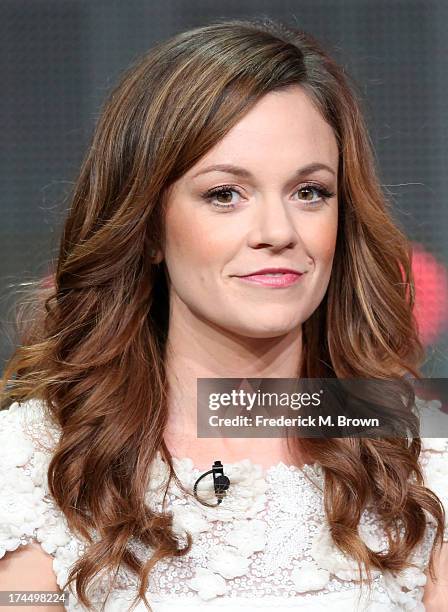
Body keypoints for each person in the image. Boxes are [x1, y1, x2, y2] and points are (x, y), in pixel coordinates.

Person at [0, 16, 447, 612]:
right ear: (149, 226)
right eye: (224, 194)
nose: (278, 232)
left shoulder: (421, 460)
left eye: (309, 192)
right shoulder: (35, 465)